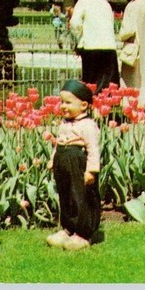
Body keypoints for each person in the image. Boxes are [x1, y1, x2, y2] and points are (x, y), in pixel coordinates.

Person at [46, 79, 101, 251]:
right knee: (65, 195)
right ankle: (68, 228)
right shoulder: (64, 123)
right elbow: (59, 142)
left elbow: (93, 148)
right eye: (61, 102)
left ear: (84, 105)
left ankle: (83, 232)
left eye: (68, 102)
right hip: (63, 162)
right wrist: (53, 159)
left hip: (78, 163)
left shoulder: (88, 125)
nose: (63, 106)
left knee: (80, 196)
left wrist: (92, 170)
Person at [68, 0, 119, 94]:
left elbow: (75, 23)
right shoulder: (106, 4)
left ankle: (92, 109)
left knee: (91, 84)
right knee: (106, 86)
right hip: (108, 47)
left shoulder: (83, 2)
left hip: (91, 47)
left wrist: (79, 37)